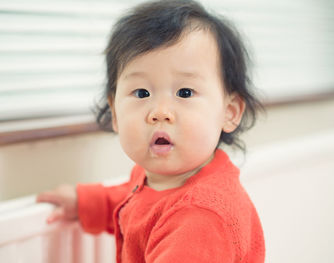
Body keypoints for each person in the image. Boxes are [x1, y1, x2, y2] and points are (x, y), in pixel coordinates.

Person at [37, 0, 265, 262]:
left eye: (185, 92)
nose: (160, 112)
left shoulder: (199, 218)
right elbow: (137, 202)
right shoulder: (159, 178)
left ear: (229, 112)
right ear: (115, 112)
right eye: (142, 93)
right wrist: (88, 203)